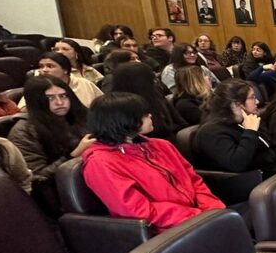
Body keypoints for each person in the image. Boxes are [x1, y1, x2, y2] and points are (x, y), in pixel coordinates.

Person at [81, 92, 224, 232]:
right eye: (143, 114)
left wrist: (212, 209)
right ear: (124, 120)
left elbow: (193, 180)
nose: (150, 115)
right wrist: (198, 216)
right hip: (166, 232)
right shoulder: (101, 163)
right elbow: (136, 210)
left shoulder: (161, 145)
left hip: (199, 218)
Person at [9, 76, 93, 186]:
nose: (59, 102)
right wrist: (73, 156)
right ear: (36, 101)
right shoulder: (24, 132)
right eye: (50, 98)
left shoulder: (79, 116)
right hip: (62, 189)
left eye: (63, 96)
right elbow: (37, 178)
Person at [195, 79, 276, 177]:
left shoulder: (244, 120)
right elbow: (237, 164)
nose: (257, 101)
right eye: (252, 97)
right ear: (236, 104)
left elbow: (270, 146)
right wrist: (250, 132)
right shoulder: (210, 133)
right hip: (256, 183)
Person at [109, 62, 186, 140]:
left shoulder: (155, 93)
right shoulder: (119, 106)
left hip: (170, 136)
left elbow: (178, 120)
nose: (155, 80)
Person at [20, 52, 103, 109]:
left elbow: (102, 103)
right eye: (41, 66)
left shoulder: (84, 83)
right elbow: (23, 109)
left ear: (65, 69)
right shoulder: (36, 87)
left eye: (50, 66)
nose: (44, 70)